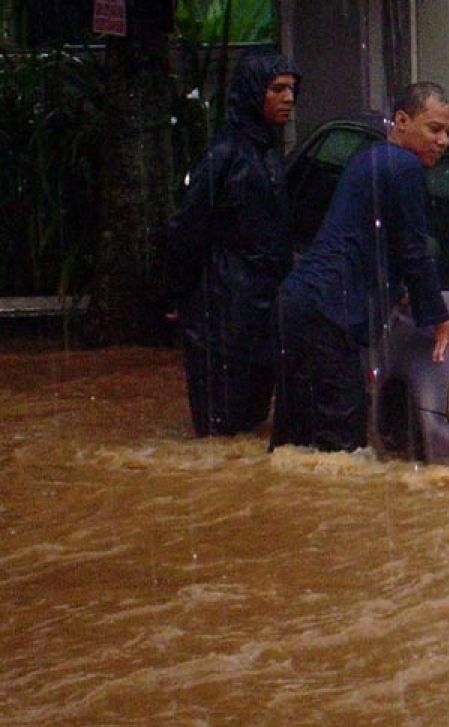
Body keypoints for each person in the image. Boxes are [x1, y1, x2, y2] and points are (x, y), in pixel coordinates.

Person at [271, 82, 449, 452]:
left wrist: (397, 292)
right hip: (328, 314)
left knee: (296, 440)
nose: (443, 141)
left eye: (448, 132)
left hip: (301, 304)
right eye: (434, 129)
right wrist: (441, 320)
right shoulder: (403, 166)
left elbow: (376, 239)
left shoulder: (373, 158)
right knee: (344, 442)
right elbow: (414, 249)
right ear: (401, 121)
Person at [167, 47, 300, 437]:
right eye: (278, 89)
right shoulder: (224, 156)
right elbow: (188, 229)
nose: (289, 99)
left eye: (291, 89)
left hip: (261, 314)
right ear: (253, 92)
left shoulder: (267, 153)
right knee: (221, 433)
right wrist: (177, 296)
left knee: (252, 428)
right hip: (222, 320)